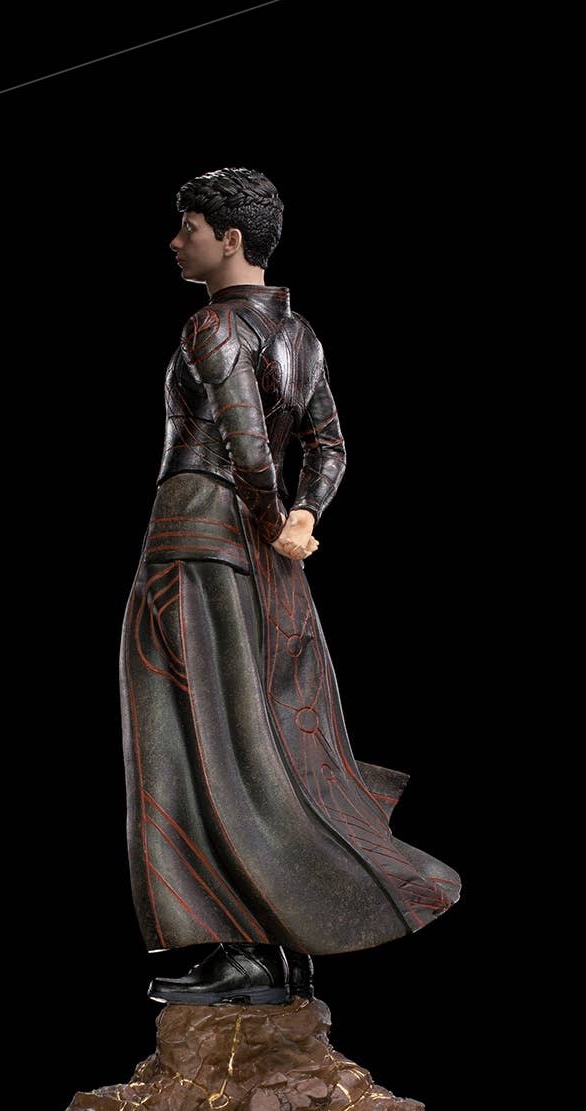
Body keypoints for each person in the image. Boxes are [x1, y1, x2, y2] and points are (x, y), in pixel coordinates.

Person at [119, 168, 460, 1008]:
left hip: (196, 542)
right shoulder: (299, 333)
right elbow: (329, 444)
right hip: (264, 558)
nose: (175, 241)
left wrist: (277, 515)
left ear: (230, 238)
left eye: (189, 226)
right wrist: (300, 519)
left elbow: (244, 437)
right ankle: (281, 946)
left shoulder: (210, 325)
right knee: (260, 732)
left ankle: (240, 948)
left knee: (189, 734)